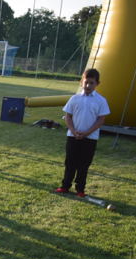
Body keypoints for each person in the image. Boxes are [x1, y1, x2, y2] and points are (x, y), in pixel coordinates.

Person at [54, 68, 110, 197]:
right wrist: (73, 131)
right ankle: (65, 186)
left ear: (97, 83)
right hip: (73, 137)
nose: (88, 86)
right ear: (81, 82)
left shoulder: (101, 101)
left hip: (90, 138)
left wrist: (86, 133)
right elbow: (68, 116)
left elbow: (101, 119)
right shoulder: (74, 98)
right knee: (70, 162)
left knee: (83, 164)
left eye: (91, 83)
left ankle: (80, 189)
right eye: (86, 83)